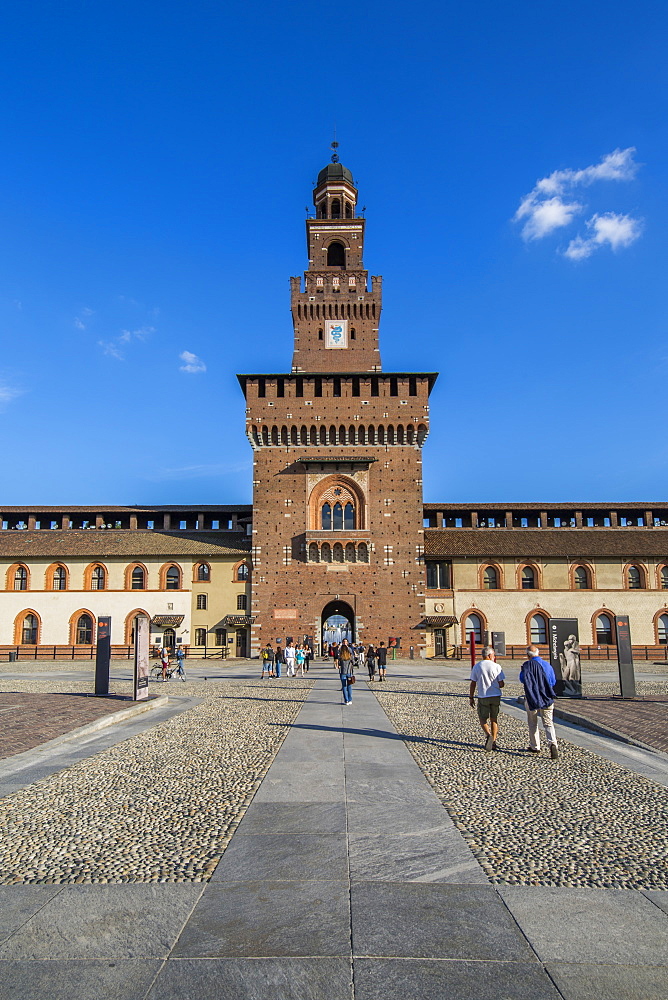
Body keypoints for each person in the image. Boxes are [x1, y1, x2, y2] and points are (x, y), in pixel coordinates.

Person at [520, 645, 559, 760]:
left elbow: (522, 679)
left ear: (528, 655)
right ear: (538, 653)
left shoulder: (527, 666)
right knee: (548, 722)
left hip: (531, 697)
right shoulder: (547, 665)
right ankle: (552, 743)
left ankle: (535, 745)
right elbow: (553, 681)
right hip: (546, 697)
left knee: (533, 722)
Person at [469, 646, 505, 751]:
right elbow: (501, 683)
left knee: (482, 718)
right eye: (493, 655)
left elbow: (473, 683)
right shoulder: (497, 666)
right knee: (494, 719)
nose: (494, 657)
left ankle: (488, 734)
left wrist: (471, 697)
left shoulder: (477, 666)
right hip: (495, 695)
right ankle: (493, 741)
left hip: (483, 695)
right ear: (489, 655)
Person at [338, 640, 354, 704]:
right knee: (349, 686)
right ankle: (350, 699)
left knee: (344, 686)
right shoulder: (349, 657)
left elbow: (339, 664)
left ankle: (346, 700)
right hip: (349, 672)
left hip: (342, 672)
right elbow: (354, 662)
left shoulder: (341, 657)